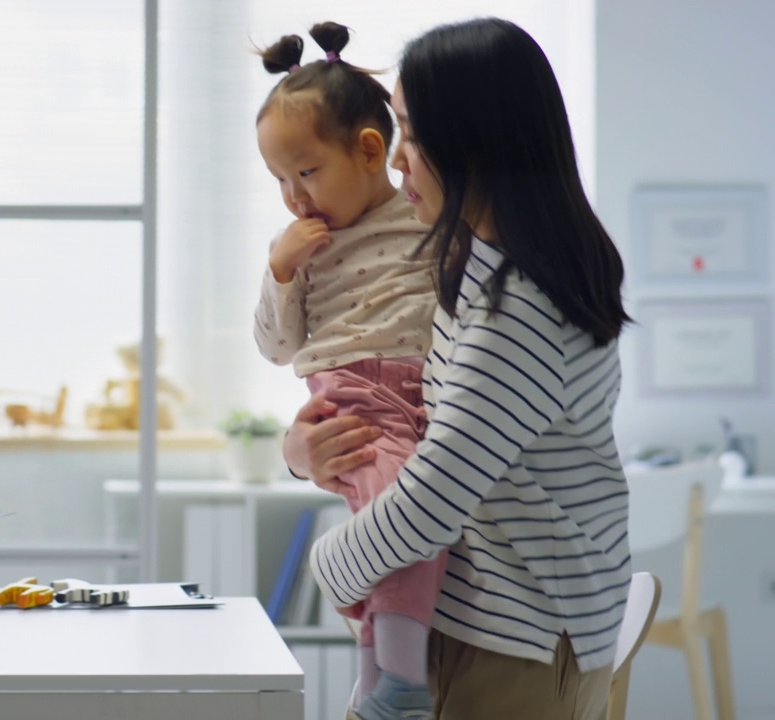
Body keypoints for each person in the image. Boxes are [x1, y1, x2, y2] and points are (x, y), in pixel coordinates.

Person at [288, 18, 633, 720]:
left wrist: (327, 565)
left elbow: (431, 503)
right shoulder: (484, 278)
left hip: (510, 646)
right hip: (493, 633)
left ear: (472, 143)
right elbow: (424, 431)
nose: (395, 161)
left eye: (410, 134)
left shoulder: (516, 312)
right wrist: (303, 454)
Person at [251, 21, 442, 718]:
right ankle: (398, 681)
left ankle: (378, 681)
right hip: (353, 396)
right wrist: (280, 271)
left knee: (394, 526)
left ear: (370, 151)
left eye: (306, 171)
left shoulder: (425, 218)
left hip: (421, 394)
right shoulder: (303, 248)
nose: (295, 197)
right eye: (278, 179)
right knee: (402, 519)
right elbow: (276, 347)